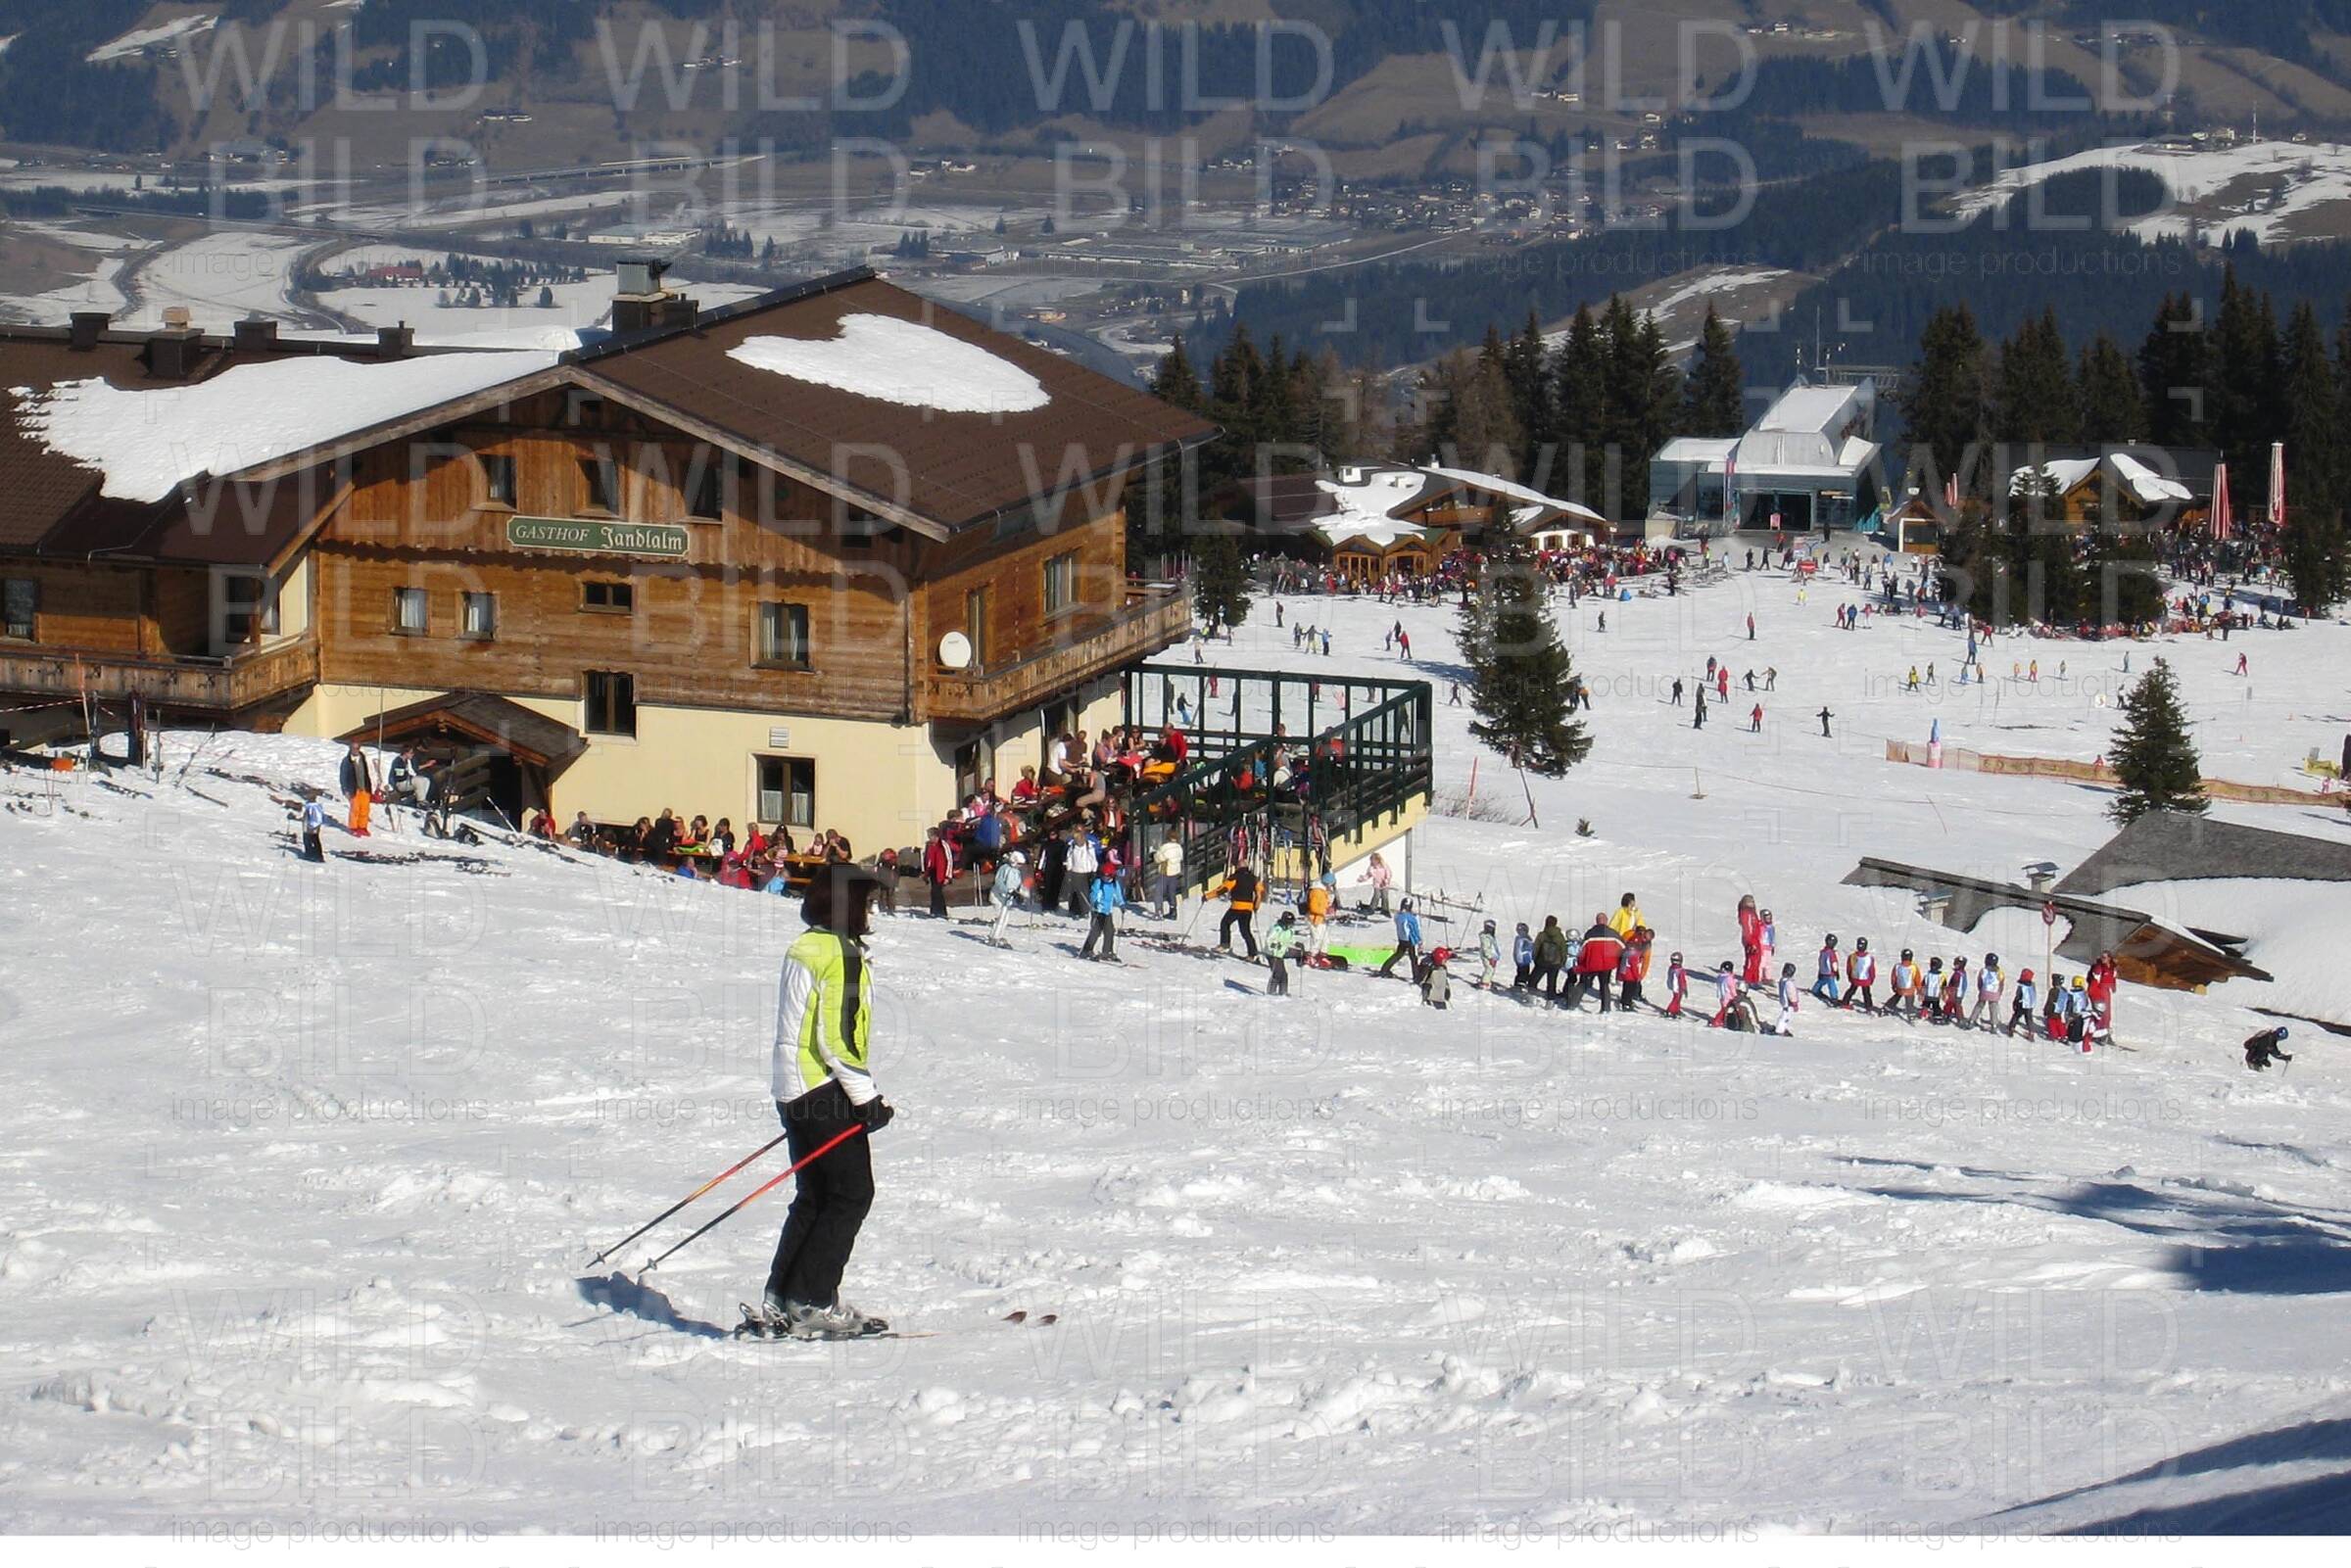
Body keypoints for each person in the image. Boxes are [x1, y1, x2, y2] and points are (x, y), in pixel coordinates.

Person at [761, 866, 892, 1340]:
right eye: (868, 902)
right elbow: (836, 1037)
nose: (871, 912)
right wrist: (866, 1097)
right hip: (821, 1086)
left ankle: (782, 1297)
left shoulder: (808, 945)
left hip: (792, 1086)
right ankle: (812, 1300)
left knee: (816, 1196)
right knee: (851, 1194)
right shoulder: (839, 953)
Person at [1568, 914, 1622, 1011]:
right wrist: (1615, 960)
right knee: (1604, 985)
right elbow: (1622, 948)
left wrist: (1581, 964)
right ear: (1606, 921)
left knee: (1583, 984)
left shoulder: (1590, 934)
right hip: (1607, 965)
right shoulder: (1613, 934)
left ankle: (1573, 1005)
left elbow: (1582, 951)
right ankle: (1606, 1008)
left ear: (1596, 921)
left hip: (1591, 964)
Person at [1079, 866, 1124, 961]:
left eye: (1107, 876)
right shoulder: (1098, 882)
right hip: (1098, 911)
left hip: (1108, 912)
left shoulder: (1114, 884)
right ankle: (1086, 950)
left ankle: (1107, 951)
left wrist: (1121, 904)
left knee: (1110, 931)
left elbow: (1118, 895)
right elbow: (1093, 893)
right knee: (1096, 931)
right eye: (1104, 876)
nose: (1105, 878)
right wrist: (1094, 903)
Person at [1218, 864, 1262, 959]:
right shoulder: (1254, 878)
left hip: (1237, 907)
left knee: (1225, 923)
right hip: (1248, 908)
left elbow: (1223, 889)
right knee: (1245, 931)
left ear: (1238, 867)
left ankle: (1225, 944)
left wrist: (1207, 896)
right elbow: (1259, 894)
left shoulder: (1235, 877)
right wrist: (1256, 906)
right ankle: (1252, 953)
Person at [1376, 897, 1423, 980]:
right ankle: (1416, 976)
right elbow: (1414, 929)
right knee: (1413, 957)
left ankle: (1385, 969)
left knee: (1398, 954)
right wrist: (1419, 940)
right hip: (1410, 940)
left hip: (1402, 939)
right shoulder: (1411, 918)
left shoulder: (1398, 916)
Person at [987, 850, 1027, 947]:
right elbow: (999, 882)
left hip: (1007, 899)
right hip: (998, 897)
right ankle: (994, 937)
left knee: (1005, 919)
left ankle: (998, 936)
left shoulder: (1017, 872)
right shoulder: (1004, 868)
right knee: (1000, 918)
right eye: (1019, 864)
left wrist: (1020, 894)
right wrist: (1007, 891)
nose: (1020, 866)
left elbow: (1017, 884)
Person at [339, 741, 375, 837]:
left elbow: (366, 774)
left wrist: (369, 787)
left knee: (365, 809)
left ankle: (362, 827)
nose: (355, 750)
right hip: (353, 789)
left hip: (364, 788)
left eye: (357, 748)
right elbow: (343, 777)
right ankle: (353, 828)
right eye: (353, 748)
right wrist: (345, 790)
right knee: (355, 809)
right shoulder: (347, 761)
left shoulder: (363, 759)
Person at [1532, 916, 1569, 1001]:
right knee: (1552, 982)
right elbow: (1563, 950)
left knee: (1533, 980)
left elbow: (1536, 948)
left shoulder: (1542, 935)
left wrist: (1535, 959)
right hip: (1555, 963)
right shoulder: (1560, 936)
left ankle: (1532, 995)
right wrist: (1562, 962)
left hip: (1541, 962)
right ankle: (1551, 998)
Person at [1265, 910, 1300, 997]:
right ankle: (1271, 991)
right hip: (1272, 954)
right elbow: (1269, 941)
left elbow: (1290, 939)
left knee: (1284, 974)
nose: (1291, 924)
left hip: (1280, 953)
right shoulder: (1277, 929)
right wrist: (1277, 946)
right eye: (1289, 923)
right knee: (1277, 973)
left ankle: (1283, 992)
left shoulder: (1289, 930)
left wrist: (1296, 943)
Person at [921, 827, 954, 919]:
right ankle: (934, 911)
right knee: (934, 891)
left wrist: (948, 876)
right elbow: (925, 859)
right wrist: (925, 873)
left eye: (930, 836)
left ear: (936, 836)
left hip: (941, 872)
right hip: (932, 871)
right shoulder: (928, 845)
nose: (929, 838)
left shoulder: (943, 845)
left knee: (937, 892)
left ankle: (941, 912)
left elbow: (949, 860)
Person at [1617, 929, 1652, 1013]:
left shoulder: (1628, 951)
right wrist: (1637, 976)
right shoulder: (1634, 954)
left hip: (1625, 972)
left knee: (1626, 988)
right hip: (1630, 975)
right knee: (1630, 989)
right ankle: (1627, 1003)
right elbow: (1634, 966)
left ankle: (1624, 1000)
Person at [1152, 834, 1184, 920]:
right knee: (1171, 892)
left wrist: (1154, 855)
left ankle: (1159, 911)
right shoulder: (1179, 847)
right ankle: (1173, 911)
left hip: (1165, 871)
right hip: (1175, 872)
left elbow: (1158, 858)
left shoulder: (1165, 847)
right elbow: (1181, 858)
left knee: (1159, 892)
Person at [1304, 874, 1334, 958]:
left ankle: (1323, 954)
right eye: (1330, 884)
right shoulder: (1316, 891)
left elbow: (1323, 904)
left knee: (1325, 938)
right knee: (1317, 938)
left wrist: (1328, 908)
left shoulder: (1323, 891)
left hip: (1321, 918)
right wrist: (1324, 912)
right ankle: (1312, 956)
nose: (1330, 886)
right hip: (1314, 918)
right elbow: (1313, 907)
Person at [1971, 955, 2004, 1030]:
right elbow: (2001, 984)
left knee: (1979, 1006)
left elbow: (1980, 981)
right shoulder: (2000, 972)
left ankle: (1972, 1020)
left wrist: (1980, 989)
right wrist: (2000, 992)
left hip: (1984, 991)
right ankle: (1994, 1024)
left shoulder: (1983, 970)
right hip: (1995, 993)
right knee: (1993, 1008)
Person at [1843, 937, 1877, 1012]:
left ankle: (1845, 1002)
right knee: (1866, 993)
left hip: (1855, 978)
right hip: (1865, 979)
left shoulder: (1852, 956)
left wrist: (1849, 976)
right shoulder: (1869, 958)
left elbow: (1849, 968)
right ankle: (1869, 1006)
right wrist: (1872, 978)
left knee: (1851, 990)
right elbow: (1871, 970)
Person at [1890, 948, 1922, 1022]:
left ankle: (1888, 1006)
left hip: (1899, 988)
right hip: (1909, 990)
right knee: (1909, 1000)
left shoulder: (1897, 966)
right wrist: (1919, 989)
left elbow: (1893, 977)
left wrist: (1893, 985)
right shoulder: (1914, 967)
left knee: (1897, 996)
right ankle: (1910, 1012)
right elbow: (1917, 979)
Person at [2006, 968, 2039, 1037]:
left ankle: (2011, 1028)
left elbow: (2018, 996)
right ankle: (2031, 1032)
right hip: (2029, 1005)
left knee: (2016, 1016)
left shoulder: (2021, 986)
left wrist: (2015, 1003)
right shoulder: (2033, 985)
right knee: (2029, 1019)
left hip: (2021, 1004)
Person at [1811, 935, 1843, 1005]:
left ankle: (1815, 990)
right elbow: (1834, 963)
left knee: (1820, 982)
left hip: (1823, 971)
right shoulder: (1831, 953)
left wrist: (1820, 971)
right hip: (1830, 973)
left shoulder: (1823, 952)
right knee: (1832, 985)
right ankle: (1834, 998)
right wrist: (1836, 972)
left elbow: (1820, 961)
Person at [1773, 963, 1800, 1036]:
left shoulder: (1782, 980)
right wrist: (1794, 1003)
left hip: (1784, 1001)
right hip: (1788, 1003)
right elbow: (1791, 994)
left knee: (1785, 1016)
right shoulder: (1789, 983)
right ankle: (1779, 1030)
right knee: (1785, 1017)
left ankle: (1782, 1028)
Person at [299, 792, 327, 862]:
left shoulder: (314, 807)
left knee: (313, 841)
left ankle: (316, 856)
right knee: (307, 841)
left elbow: (317, 818)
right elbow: (305, 817)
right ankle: (309, 854)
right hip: (307, 827)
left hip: (311, 828)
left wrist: (312, 826)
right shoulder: (309, 806)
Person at [1511, 922, 1535, 990]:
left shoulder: (1521, 938)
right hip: (1523, 959)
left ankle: (1519, 984)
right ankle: (1520, 984)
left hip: (1524, 960)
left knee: (1522, 972)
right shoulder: (1523, 939)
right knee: (1522, 973)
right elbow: (1522, 949)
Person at [1478, 919, 1501, 989]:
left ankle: (1487, 981)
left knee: (1491, 969)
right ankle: (1484, 983)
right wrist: (1490, 957)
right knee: (1489, 969)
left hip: (1492, 955)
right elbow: (1486, 949)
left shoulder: (1490, 936)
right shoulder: (1486, 938)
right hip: (1487, 956)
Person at [1663, 952, 1688, 1018]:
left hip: (1674, 986)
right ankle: (1669, 1011)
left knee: (1678, 999)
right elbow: (1682, 980)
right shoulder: (1679, 970)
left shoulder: (1672, 968)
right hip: (1678, 987)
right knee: (1676, 999)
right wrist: (1684, 988)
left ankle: (1676, 1010)